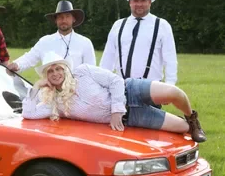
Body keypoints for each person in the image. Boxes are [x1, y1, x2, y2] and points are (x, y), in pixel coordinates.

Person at [22, 52, 206, 143]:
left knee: (173, 93)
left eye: (58, 68)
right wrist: (37, 86)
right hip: (132, 117)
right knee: (182, 128)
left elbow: (115, 81)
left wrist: (116, 110)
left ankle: (192, 117)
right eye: (50, 71)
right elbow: (28, 113)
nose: (55, 73)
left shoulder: (83, 72)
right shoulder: (54, 104)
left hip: (130, 90)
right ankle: (188, 124)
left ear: (65, 69)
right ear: (47, 75)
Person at [100, 0, 178, 85]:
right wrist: (102, 84)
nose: (139, 4)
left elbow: (170, 59)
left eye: (143, 0)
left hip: (152, 88)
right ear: (130, 2)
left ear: (149, 2)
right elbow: (108, 58)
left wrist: (170, 85)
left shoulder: (162, 25)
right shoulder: (118, 25)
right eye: (136, 0)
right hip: (121, 87)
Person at [7, 0, 96, 73]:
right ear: (55, 20)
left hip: (77, 90)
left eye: (67, 16)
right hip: (50, 90)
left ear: (73, 19)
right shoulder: (45, 41)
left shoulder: (85, 43)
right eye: (60, 17)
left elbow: (91, 71)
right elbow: (29, 58)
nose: (64, 20)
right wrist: (17, 64)